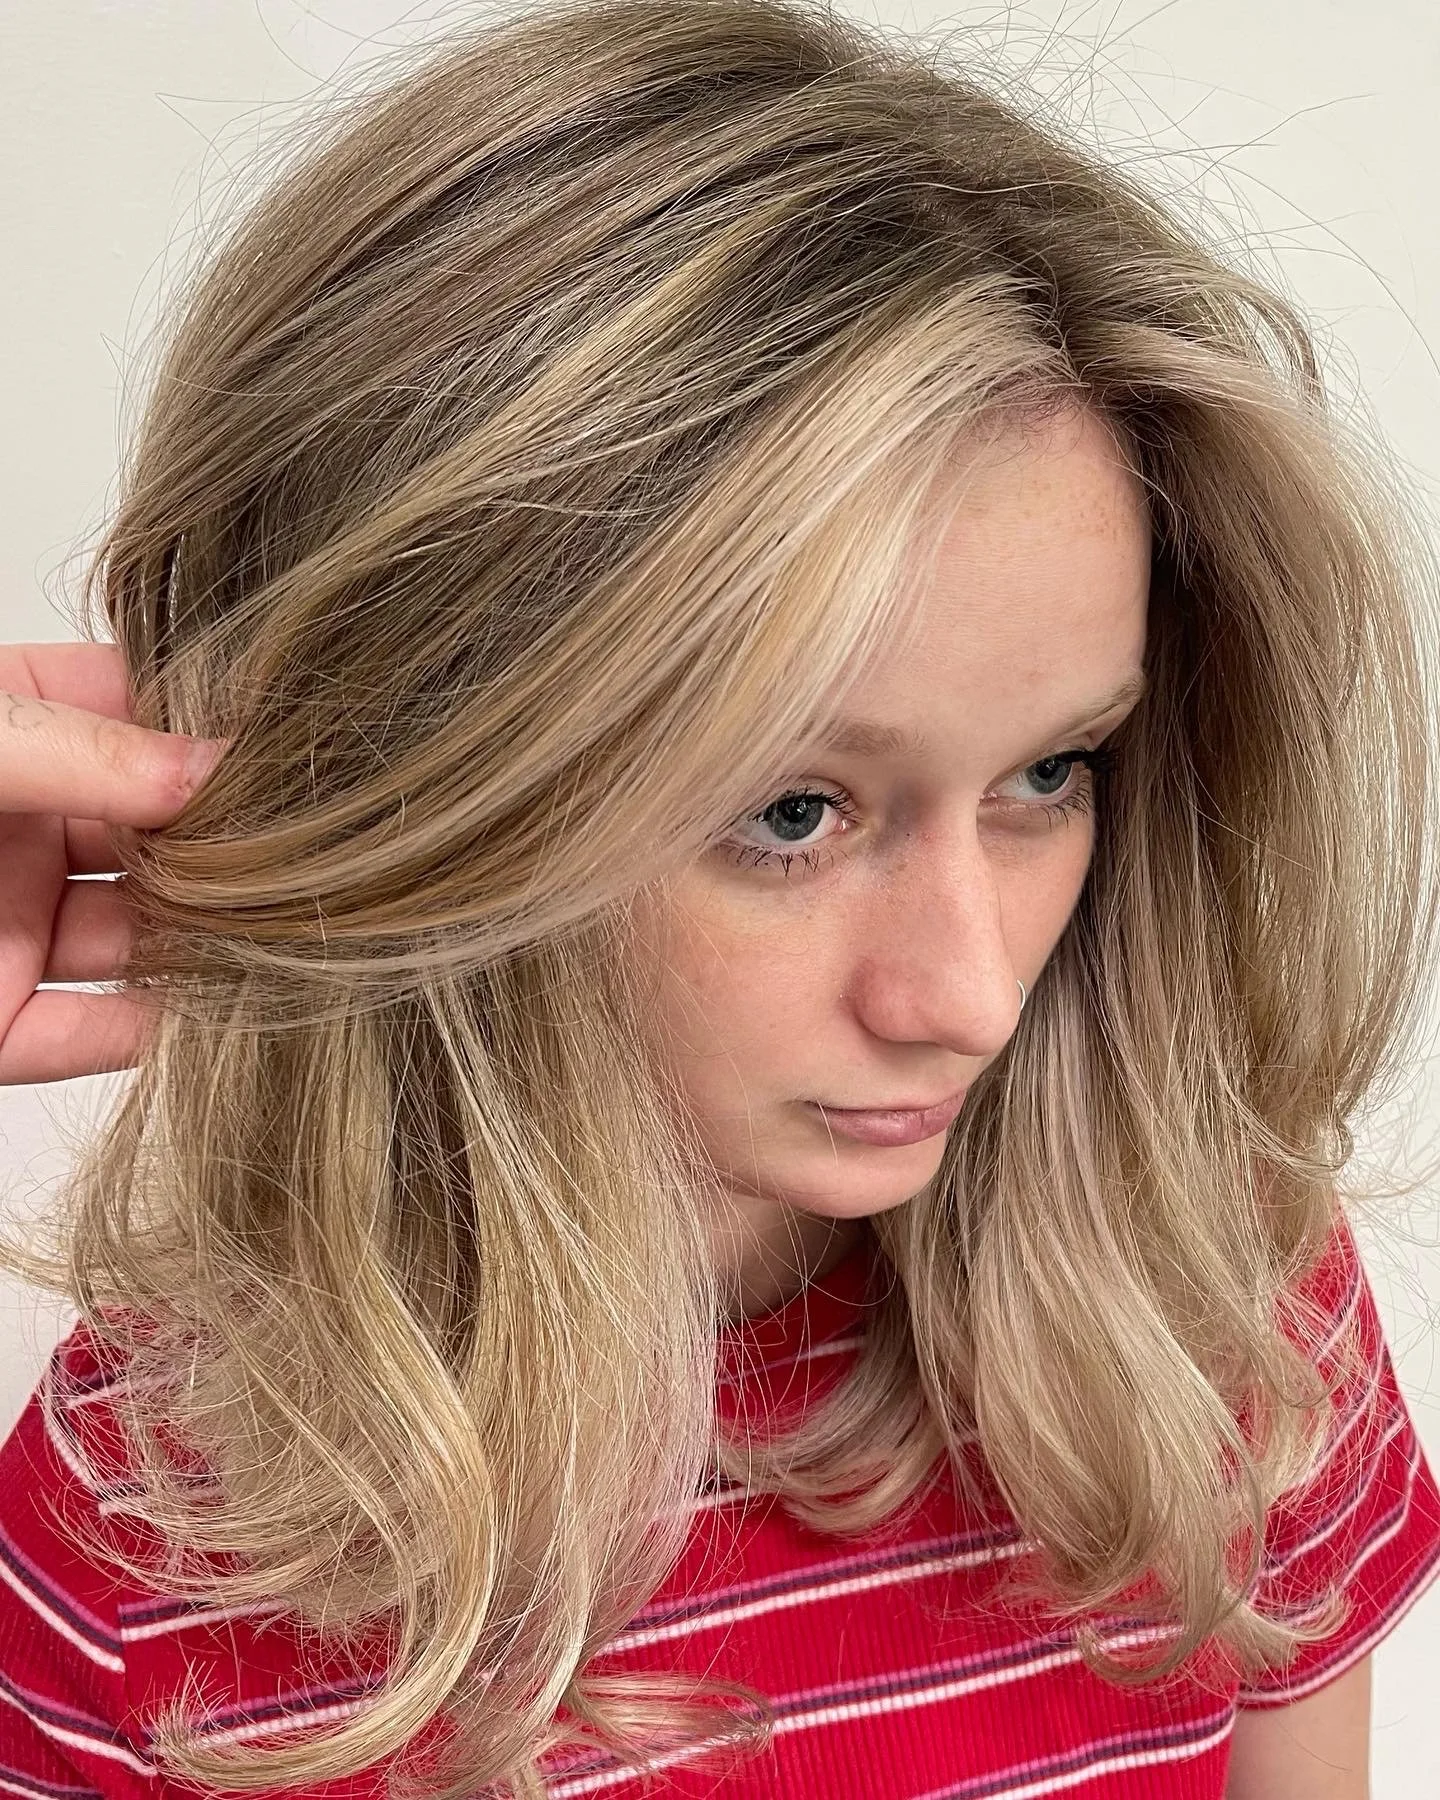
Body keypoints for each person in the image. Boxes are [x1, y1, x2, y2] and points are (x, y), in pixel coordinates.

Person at [1, 2, 1438, 1796]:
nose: (967, 995)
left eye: (1050, 775)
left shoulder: (1210, 1306)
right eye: (793, 811)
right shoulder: (153, 1527)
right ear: (429, 789)